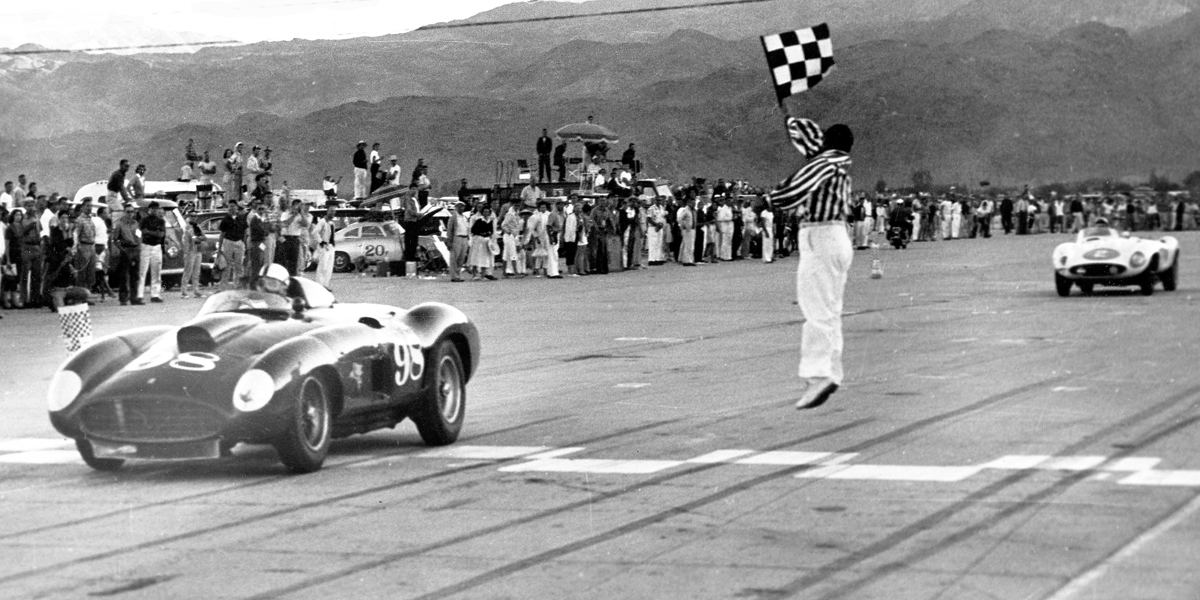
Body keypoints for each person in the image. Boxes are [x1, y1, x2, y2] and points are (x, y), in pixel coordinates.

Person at [769, 109, 855, 410]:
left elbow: (792, 189)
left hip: (820, 237)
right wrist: (790, 121)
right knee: (830, 310)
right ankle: (830, 370)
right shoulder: (839, 165)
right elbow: (807, 140)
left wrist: (771, 198)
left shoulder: (823, 164)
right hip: (837, 236)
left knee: (816, 309)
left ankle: (819, 374)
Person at [136, 201, 167, 304]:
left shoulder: (161, 221)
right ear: (149, 209)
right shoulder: (144, 220)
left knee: (156, 271)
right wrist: (154, 233)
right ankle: (139, 294)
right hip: (146, 245)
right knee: (142, 271)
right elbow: (139, 232)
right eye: (152, 208)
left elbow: (161, 234)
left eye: (156, 208)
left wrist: (148, 232)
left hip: (156, 246)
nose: (154, 210)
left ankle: (155, 294)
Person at [111, 202, 141, 305]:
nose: (130, 214)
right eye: (128, 212)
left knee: (135, 275)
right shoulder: (119, 224)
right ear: (124, 212)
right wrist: (122, 249)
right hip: (126, 249)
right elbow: (115, 239)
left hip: (135, 250)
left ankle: (134, 297)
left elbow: (138, 236)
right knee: (124, 275)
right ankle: (123, 298)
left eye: (132, 212)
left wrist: (138, 248)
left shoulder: (136, 223)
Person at [217, 202, 248, 290]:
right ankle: (223, 286)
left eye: (233, 206)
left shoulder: (241, 219)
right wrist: (220, 248)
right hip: (228, 241)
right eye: (230, 206)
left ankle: (238, 285)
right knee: (227, 265)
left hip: (239, 241)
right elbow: (222, 234)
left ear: (236, 208)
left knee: (239, 265)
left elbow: (245, 231)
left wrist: (243, 243)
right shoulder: (225, 219)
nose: (232, 208)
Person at [278, 199, 311, 276]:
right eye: (296, 206)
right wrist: (293, 215)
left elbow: (305, 224)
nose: (297, 208)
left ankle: (292, 277)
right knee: (284, 261)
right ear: (292, 206)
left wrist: (302, 212)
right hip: (285, 239)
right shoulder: (285, 214)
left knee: (294, 262)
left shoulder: (300, 216)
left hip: (295, 239)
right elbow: (285, 224)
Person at [467, 204, 497, 280]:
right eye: (484, 212)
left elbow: (492, 230)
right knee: (476, 257)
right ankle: (474, 275)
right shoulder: (479, 220)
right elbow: (473, 230)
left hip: (486, 241)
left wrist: (489, 234)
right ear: (482, 213)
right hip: (478, 240)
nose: (486, 213)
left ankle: (483, 275)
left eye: (487, 212)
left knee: (485, 258)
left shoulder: (490, 221)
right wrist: (481, 233)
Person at [181, 210, 206, 298]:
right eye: (192, 216)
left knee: (196, 271)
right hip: (190, 250)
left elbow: (203, 237)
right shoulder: (187, 227)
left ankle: (196, 290)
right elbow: (191, 238)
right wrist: (198, 238)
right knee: (188, 271)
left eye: (195, 216)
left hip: (198, 250)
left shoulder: (198, 226)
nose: (194, 217)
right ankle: (184, 291)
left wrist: (197, 238)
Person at [446, 200, 470, 282]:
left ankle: (458, 274)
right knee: (454, 257)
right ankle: (454, 276)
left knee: (462, 258)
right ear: (456, 208)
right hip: (457, 238)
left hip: (465, 238)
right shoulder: (453, 217)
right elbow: (449, 230)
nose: (461, 208)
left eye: (462, 206)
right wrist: (449, 240)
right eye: (459, 206)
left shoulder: (465, 217)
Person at [312, 207, 336, 288]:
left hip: (330, 246)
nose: (332, 213)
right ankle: (319, 285)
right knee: (322, 267)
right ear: (327, 212)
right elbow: (315, 232)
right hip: (324, 246)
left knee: (329, 267)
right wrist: (321, 241)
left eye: (334, 212)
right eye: (331, 211)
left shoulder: (332, 223)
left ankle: (325, 285)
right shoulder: (322, 222)